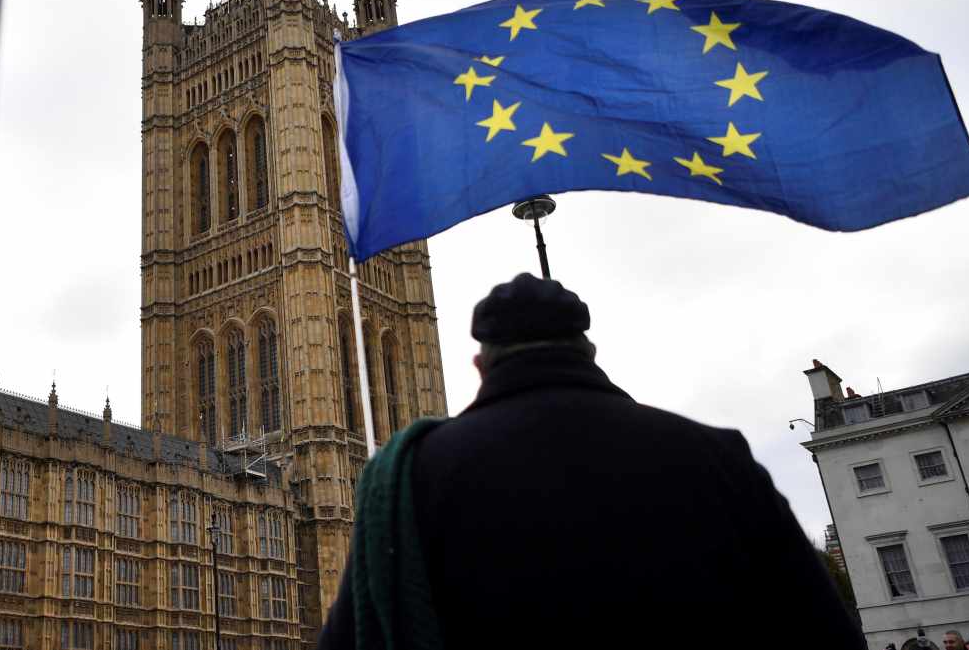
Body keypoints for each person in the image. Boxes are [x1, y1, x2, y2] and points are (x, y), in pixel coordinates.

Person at [317, 273, 865, 648]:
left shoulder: (409, 475)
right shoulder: (715, 456)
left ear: (481, 364)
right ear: (588, 352)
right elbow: (821, 628)